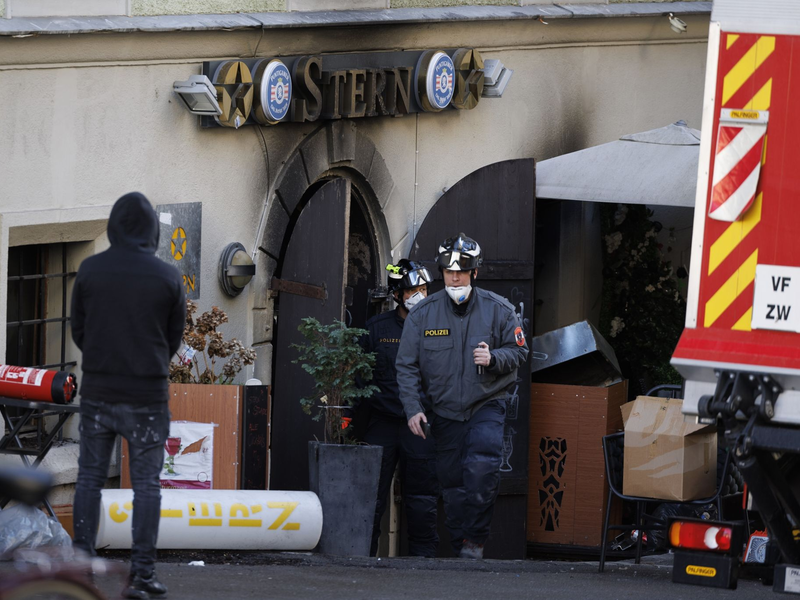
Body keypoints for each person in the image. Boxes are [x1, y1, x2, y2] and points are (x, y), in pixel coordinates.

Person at [71, 192, 186, 599]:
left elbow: (78, 332)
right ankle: (142, 575)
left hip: (100, 392)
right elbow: (173, 339)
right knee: (147, 486)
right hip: (148, 397)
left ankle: (80, 568)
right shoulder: (168, 277)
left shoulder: (89, 270)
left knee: (88, 479)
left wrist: (105, 360)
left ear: (114, 226)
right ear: (152, 231)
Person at [396, 233, 529, 559]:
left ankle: (475, 540)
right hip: (444, 412)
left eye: (462, 271)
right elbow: (406, 367)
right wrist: (413, 408)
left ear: (475, 272)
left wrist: (494, 358)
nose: (455, 277)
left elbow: (520, 350)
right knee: (453, 488)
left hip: (486, 402)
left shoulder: (500, 310)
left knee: (482, 468)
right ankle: (463, 551)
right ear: (441, 273)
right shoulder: (422, 316)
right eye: (449, 271)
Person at [356, 259, 439, 557]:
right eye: (413, 289)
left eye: (424, 289)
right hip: (383, 423)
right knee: (371, 498)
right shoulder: (376, 329)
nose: (420, 295)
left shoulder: (439, 329)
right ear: (396, 295)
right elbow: (361, 379)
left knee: (422, 499)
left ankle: (424, 565)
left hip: (420, 425)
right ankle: (362, 560)